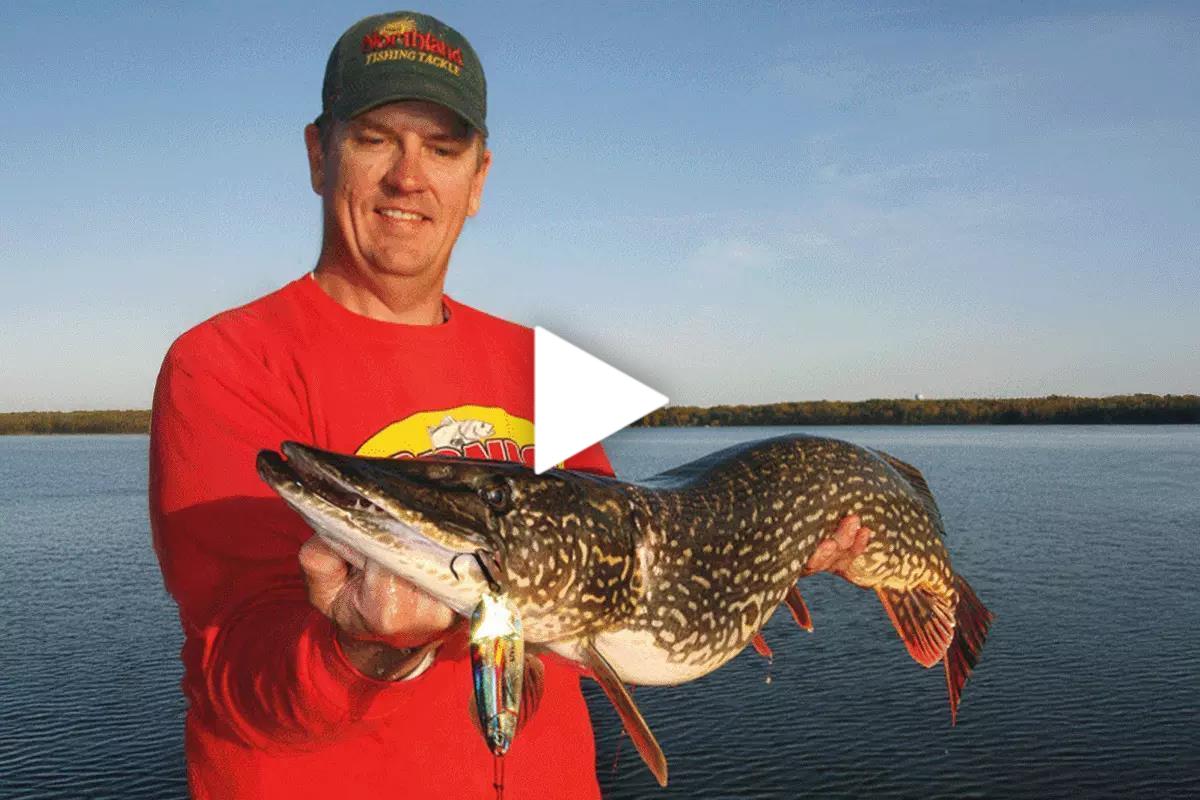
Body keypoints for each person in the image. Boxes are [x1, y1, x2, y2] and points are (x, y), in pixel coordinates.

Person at [150, 10, 871, 798]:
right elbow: (236, 683)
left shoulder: (538, 364)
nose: (408, 177)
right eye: (375, 139)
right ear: (319, 154)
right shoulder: (223, 363)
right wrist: (362, 647)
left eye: (442, 149)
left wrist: (752, 560)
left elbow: (612, 599)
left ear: (478, 179)